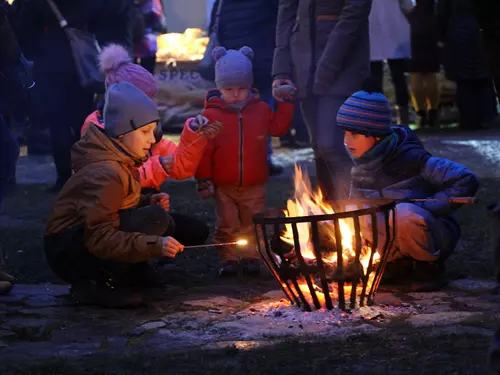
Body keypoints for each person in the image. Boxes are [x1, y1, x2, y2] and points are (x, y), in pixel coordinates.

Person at [44, 82, 210, 308]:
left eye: (153, 131)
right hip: (69, 250)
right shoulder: (105, 173)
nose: (152, 140)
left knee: (183, 226)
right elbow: (99, 236)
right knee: (155, 219)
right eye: (144, 132)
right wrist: (154, 245)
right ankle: (99, 283)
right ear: (122, 132)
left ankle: (133, 270)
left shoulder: (121, 158)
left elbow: (113, 205)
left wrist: (145, 200)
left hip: (84, 238)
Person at [338, 89, 479, 292]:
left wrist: (429, 206)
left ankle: (429, 267)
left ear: (376, 136)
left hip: (431, 232)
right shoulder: (361, 168)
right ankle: (392, 265)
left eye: (354, 134)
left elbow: (466, 179)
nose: (346, 141)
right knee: (358, 213)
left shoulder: (413, 159)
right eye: (345, 133)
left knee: (402, 214)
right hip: (393, 236)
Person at [195, 46, 295, 277]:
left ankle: (251, 256)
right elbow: (203, 151)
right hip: (224, 184)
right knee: (227, 223)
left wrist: (286, 103)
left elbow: (278, 128)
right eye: (229, 89)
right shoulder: (211, 116)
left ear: (250, 86)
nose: (236, 94)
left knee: (253, 222)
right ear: (219, 88)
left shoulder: (260, 110)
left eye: (242, 88)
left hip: (254, 182)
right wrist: (203, 179)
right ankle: (228, 258)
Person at [81, 44, 222, 191]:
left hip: (145, 207)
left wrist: (194, 133)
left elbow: (182, 168)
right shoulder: (98, 131)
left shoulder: (149, 129)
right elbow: (110, 182)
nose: (152, 105)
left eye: (152, 98)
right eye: (146, 99)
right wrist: (156, 168)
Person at [272, 0, 372, 202]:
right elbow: (286, 13)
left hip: (342, 64)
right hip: (304, 61)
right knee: (319, 147)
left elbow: (354, 14)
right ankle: (332, 216)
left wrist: (327, 66)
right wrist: (281, 69)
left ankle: (356, 213)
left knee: (331, 145)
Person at [17, 0, 99, 191]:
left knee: (57, 125)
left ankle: (63, 177)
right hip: (81, 66)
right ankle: (85, 174)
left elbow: (25, 31)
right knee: (83, 124)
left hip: (50, 65)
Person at [208, 0, 285, 176]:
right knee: (262, 112)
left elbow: (215, 25)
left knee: (232, 114)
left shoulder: (223, 3)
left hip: (231, 64)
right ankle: (261, 160)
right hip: (262, 61)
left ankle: (233, 160)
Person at [437, 0, 497, 130]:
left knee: (464, 79)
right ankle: (487, 117)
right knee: (484, 76)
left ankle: (468, 119)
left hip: (457, 31)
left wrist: (441, 36)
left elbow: (441, 13)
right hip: (481, 31)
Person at [369, 0, 413, 125]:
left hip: (371, 29)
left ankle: (378, 117)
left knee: (375, 77)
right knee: (399, 76)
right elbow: (408, 6)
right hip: (394, 28)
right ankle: (403, 118)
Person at [408, 0, 441, 128]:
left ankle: (420, 113)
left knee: (415, 74)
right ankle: (433, 111)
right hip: (431, 30)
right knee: (431, 73)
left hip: (412, 31)